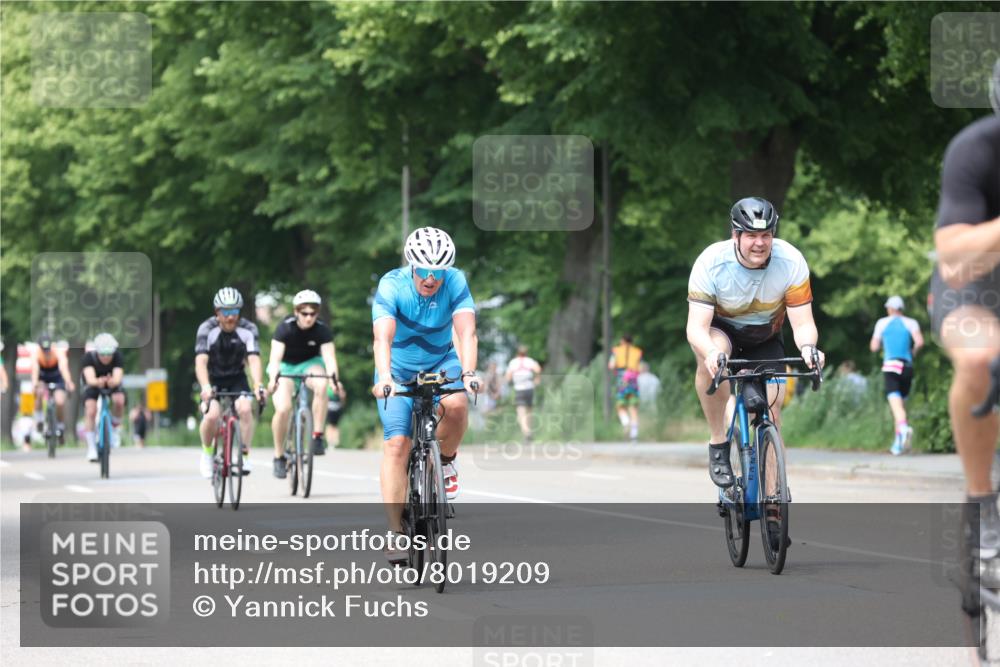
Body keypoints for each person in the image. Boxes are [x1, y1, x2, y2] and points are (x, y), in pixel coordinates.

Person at [686, 197, 825, 498]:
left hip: (765, 336)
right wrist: (710, 353)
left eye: (766, 235)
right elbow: (696, 328)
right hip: (722, 332)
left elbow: (803, 323)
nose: (759, 243)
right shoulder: (711, 262)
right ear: (735, 235)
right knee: (712, 360)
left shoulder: (791, 261)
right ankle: (718, 441)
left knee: (772, 412)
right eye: (751, 235)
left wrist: (809, 348)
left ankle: (773, 497)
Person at [371, 226, 480, 564]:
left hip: (440, 362)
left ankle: (444, 462)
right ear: (412, 265)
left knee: (457, 405)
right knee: (397, 444)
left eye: (439, 272)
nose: (432, 279)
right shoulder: (392, 285)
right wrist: (385, 377)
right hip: (398, 370)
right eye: (425, 271)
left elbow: (467, 333)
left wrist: (469, 373)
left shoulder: (455, 282)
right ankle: (395, 532)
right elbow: (382, 338)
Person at [930, 60, 1000, 569]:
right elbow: (953, 259)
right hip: (973, 287)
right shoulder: (975, 149)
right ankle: (982, 507)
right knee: (981, 358)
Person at [267, 289, 341, 478]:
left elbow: (330, 359)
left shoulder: (322, 330)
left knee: (322, 384)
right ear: (296, 312)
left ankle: (317, 436)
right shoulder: (285, 328)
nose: (309, 318)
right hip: (286, 367)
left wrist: (334, 381)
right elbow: (275, 359)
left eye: (313, 313)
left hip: (309, 364)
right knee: (283, 409)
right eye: (304, 313)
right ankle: (278, 456)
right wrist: (273, 379)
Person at [195, 287, 266, 477]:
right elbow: (201, 362)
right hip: (213, 378)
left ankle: (244, 455)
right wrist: (205, 386)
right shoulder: (206, 329)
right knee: (212, 415)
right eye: (225, 312)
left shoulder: (248, 329)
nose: (230, 317)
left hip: (237, 377)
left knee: (245, 409)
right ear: (217, 312)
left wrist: (258, 384)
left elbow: (253, 360)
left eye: (234, 311)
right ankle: (207, 453)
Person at [870, 295, 923, 454]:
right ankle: (898, 444)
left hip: (891, 366)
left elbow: (874, 346)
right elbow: (920, 342)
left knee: (897, 408)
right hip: (907, 367)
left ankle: (904, 429)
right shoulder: (911, 322)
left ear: (891, 309)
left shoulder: (882, 323)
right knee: (901, 409)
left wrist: (881, 346)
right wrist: (913, 352)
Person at [81, 333, 125, 462]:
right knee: (91, 410)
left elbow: (118, 377)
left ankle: (115, 428)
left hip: (111, 383)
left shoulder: (118, 357)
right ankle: (91, 447)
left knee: (119, 400)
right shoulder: (89, 358)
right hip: (93, 384)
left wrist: (112, 381)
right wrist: (98, 381)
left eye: (109, 353)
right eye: (103, 354)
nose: (106, 357)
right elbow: (90, 379)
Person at [31, 333, 75, 443]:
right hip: (42, 376)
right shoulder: (36, 353)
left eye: (48, 349)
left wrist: (68, 382)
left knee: (60, 402)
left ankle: (60, 426)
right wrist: (34, 384)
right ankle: (39, 418)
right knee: (39, 392)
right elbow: (35, 370)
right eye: (44, 349)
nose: (46, 352)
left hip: (56, 377)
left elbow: (64, 368)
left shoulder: (57, 351)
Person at [608, 334, 643, 441]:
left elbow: (611, 365)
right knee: (633, 407)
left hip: (622, 381)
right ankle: (634, 434)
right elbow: (641, 368)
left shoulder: (616, 351)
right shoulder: (637, 352)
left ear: (622, 341)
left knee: (620, 405)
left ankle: (626, 422)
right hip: (633, 382)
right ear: (631, 342)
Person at [504, 345, 542, 442]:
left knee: (521, 413)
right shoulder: (529, 361)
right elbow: (538, 369)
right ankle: (529, 431)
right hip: (529, 387)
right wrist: (537, 379)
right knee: (529, 411)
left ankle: (526, 432)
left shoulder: (513, 362)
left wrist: (509, 382)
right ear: (526, 353)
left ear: (517, 353)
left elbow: (508, 377)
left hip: (519, 388)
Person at [324, 381, 347, 448]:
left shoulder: (338, 387)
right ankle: (330, 441)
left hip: (336, 409)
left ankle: (334, 441)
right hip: (331, 408)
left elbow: (343, 398)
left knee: (334, 426)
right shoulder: (329, 388)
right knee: (330, 426)